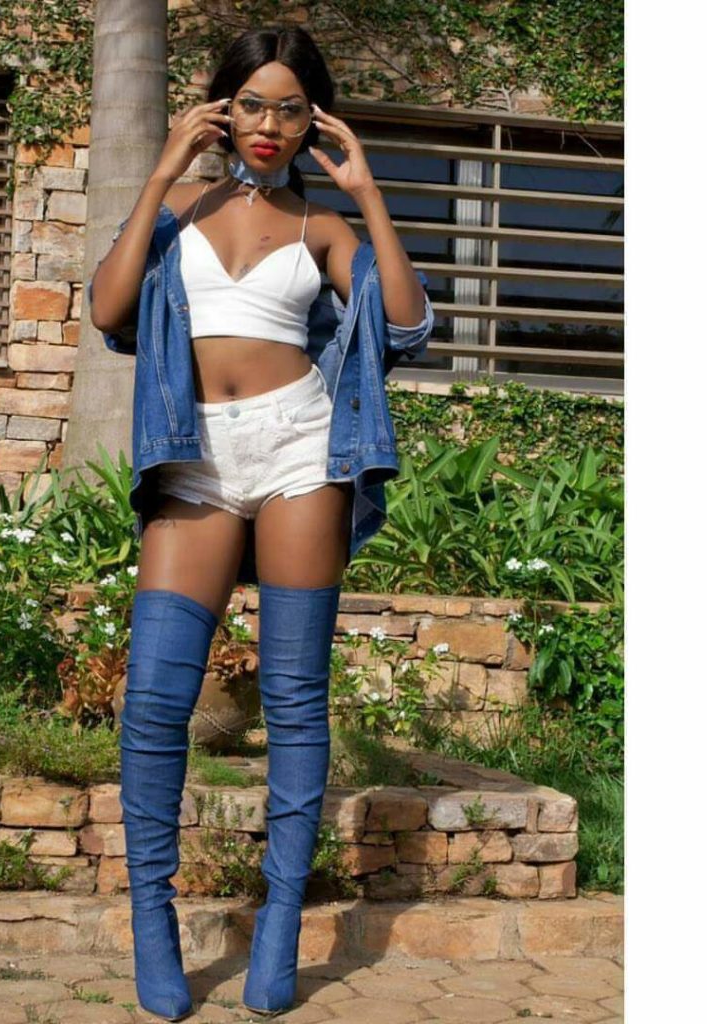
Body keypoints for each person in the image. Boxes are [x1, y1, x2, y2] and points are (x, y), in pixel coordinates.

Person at [88, 24, 433, 1022]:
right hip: (194, 455)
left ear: (312, 119)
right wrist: (162, 172)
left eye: (289, 107)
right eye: (251, 104)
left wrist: (367, 193)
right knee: (156, 698)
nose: (268, 124)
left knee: (292, 698)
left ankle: (279, 924)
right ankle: (152, 922)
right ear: (222, 108)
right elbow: (109, 310)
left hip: (300, 451)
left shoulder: (322, 228)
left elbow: (405, 325)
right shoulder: (178, 211)